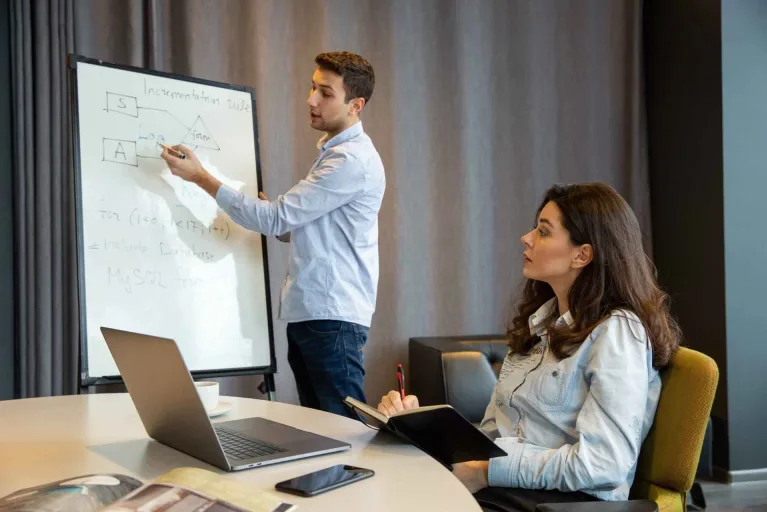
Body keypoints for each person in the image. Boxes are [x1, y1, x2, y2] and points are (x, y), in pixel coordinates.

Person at [378, 183, 680, 511]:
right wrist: (419, 427)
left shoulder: (617, 333)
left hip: (566, 502)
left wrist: (487, 471)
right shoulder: (542, 323)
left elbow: (603, 464)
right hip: (509, 488)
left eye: (544, 231)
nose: (527, 237)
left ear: (583, 254)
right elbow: (495, 434)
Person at [161, 51, 385, 418]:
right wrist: (277, 217)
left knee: (345, 433)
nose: (311, 100)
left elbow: (277, 221)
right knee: (322, 430)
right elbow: (299, 227)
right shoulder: (335, 154)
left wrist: (200, 177)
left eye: (325, 93)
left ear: (356, 104)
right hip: (314, 315)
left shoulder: (350, 160)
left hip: (331, 319)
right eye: (312, 88)